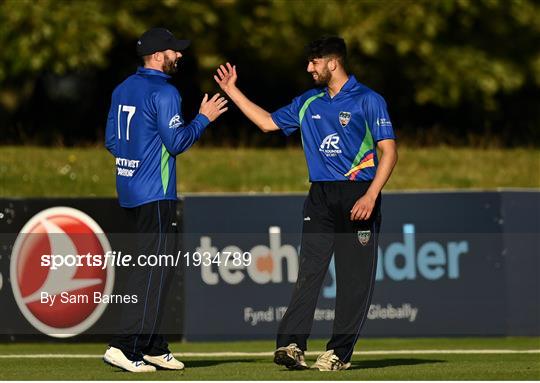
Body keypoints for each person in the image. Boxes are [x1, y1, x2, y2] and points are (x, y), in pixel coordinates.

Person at [214, 36, 397, 371]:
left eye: (315, 61)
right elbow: (267, 122)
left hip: (358, 194)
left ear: (333, 63)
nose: (309, 68)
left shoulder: (369, 100)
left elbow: (389, 151)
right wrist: (232, 91)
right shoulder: (308, 101)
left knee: (353, 279)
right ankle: (291, 344)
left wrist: (371, 195)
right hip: (320, 198)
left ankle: (338, 353)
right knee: (309, 273)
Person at [103, 27, 227, 372]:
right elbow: (177, 142)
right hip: (155, 194)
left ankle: (153, 344)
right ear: (158, 56)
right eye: (174, 51)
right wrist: (204, 118)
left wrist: (136, 159)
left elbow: (113, 142)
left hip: (129, 191)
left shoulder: (123, 88)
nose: (179, 55)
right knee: (151, 271)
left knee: (161, 268)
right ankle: (124, 346)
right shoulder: (165, 92)